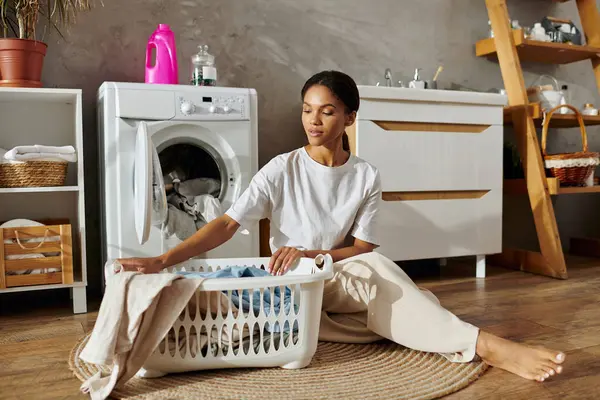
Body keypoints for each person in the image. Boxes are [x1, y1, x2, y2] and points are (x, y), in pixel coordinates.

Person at [118, 70, 565, 382]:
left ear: (350, 118)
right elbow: (226, 225)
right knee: (407, 298)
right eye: (308, 110)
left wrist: (316, 255)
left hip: (336, 272)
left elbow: (362, 248)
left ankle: (474, 343)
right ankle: (475, 340)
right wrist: (162, 258)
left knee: (381, 271)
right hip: (290, 282)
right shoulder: (281, 168)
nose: (314, 121)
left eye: (327, 111)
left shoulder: (366, 175)